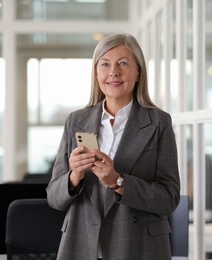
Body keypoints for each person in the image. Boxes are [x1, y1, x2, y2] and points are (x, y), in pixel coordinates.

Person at [46, 33, 180, 260]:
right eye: (105, 64)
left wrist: (118, 182)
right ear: (96, 72)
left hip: (138, 247)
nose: (113, 72)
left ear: (138, 72)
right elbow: (54, 198)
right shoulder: (76, 121)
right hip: (81, 245)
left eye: (123, 63)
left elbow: (168, 199)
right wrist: (74, 176)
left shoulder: (158, 122)